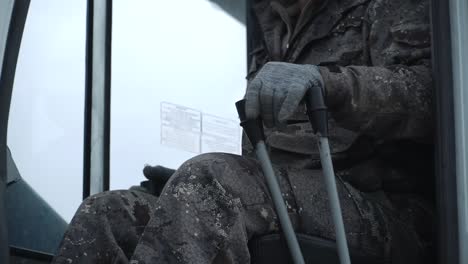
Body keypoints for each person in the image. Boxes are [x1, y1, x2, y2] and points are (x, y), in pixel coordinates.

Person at [52, 0, 434, 263]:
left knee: (211, 182)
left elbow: (433, 93)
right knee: (108, 212)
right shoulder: (270, 28)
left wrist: (327, 82)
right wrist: (180, 188)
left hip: (383, 209)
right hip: (290, 197)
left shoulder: (380, 7)